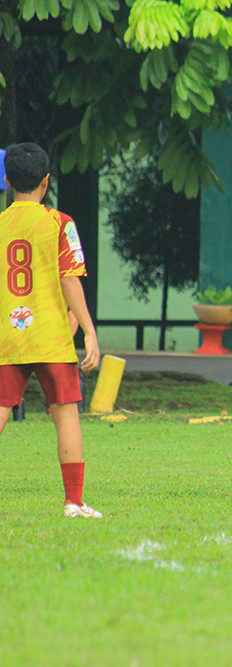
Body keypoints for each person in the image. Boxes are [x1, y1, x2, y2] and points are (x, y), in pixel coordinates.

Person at [0, 142, 102, 518]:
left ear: (8, 180)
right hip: (51, 336)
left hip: (8, 337)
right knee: (66, 413)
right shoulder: (61, 223)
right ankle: (74, 502)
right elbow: (70, 280)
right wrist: (88, 331)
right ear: (46, 181)